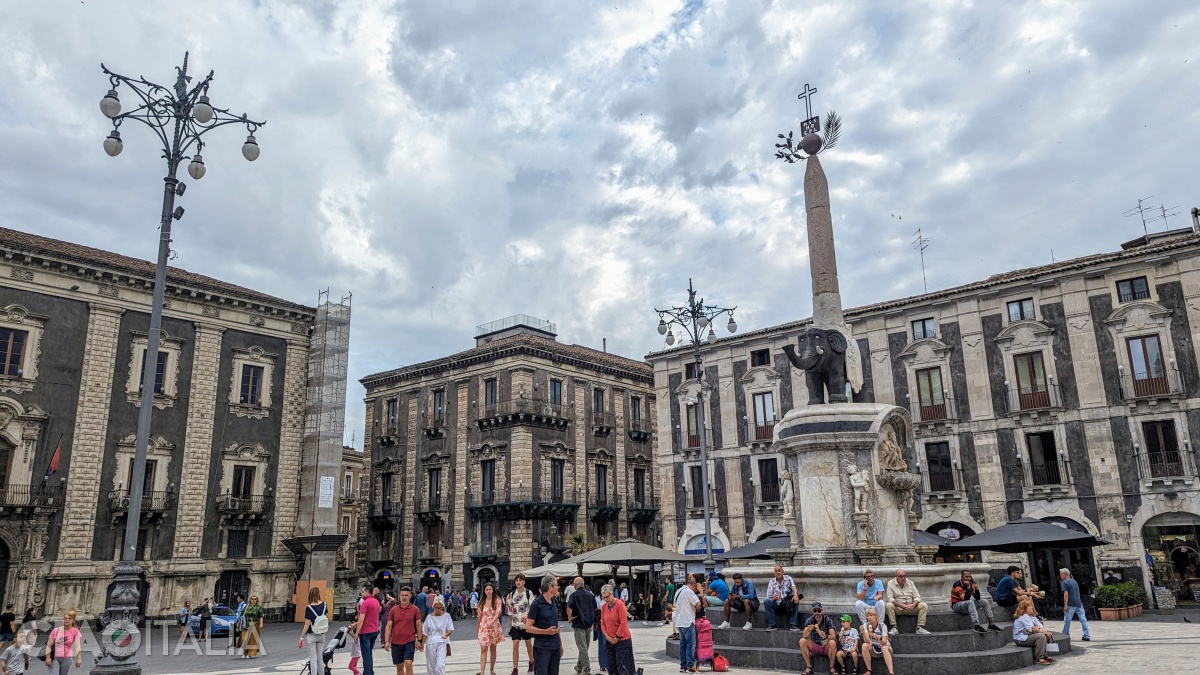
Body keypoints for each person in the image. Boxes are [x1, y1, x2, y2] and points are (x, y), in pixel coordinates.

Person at [524, 575, 564, 675]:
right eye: (556, 585)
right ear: (550, 587)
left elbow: (556, 624)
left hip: (555, 646)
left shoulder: (554, 601)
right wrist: (546, 632)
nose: (558, 587)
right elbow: (528, 627)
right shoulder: (537, 604)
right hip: (542, 647)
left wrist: (560, 643)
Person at [599, 585, 641, 675]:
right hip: (609, 640)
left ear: (612, 593)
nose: (606, 599)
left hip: (622, 640)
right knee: (611, 667)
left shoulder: (620, 604)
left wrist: (617, 637)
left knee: (623, 667)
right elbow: (602, 623)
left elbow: (623, 623)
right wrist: (606, 635)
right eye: (604, 598)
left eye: (607, 596)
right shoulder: (603, 607)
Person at [384, 586, 422, 675]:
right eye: (402, 595)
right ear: (399, 596)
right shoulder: (393, 610)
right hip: (396, 641)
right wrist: (386, 641)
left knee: (408, 663)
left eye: (406, 595)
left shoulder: (415, 609)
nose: (404, 597)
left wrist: (419, 640)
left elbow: (419, 625)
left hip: (409, 640)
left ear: (410, 596)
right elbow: (389, 626)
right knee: (399, 667)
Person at [951, 569, 1001, 634]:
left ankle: (991, 623)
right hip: (957, 606)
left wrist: (976, 588)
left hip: (966, 605)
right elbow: (965, 598)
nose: (968, 578)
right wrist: (968, 587)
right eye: (966, 577)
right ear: (962, 577)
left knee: (984, 601)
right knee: (970, 602)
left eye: (969, 576)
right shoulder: (957, 584)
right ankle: (976, 625)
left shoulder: (971, 584)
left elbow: (978, 598)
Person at [884, 569, 930, 635]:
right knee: (888, 605)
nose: (903, 578)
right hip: (898, 608)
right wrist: (901, 605)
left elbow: (917, 596)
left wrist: (913, 605)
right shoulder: (890, 583)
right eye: (900, 576)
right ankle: (894, 627)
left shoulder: (910, 583)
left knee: (923, 605)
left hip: (911, 607)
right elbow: (890, 598)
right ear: (896, 576)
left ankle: (920, 628)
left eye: (904, 576)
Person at [565, 577, 596, 675]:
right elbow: (595, 608)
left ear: (575, 585)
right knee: (584, 647)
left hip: (579, 624)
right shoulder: (590, 595)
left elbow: (568, 607)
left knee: (582, 648)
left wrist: (570, 618)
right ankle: (579, 667)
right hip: (589, 624)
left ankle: (586, 669)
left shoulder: (574, 595)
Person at [673, 574, 703, 673]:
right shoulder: (689, 592)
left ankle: (683, 666)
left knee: (682, 645)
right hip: (688, 621)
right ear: (694, 586)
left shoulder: (678, 591)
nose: (695, 591)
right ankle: (690, 665)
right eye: (696, 589)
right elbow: (698, 604)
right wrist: (701, 592)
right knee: (690, 645)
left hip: (679, 621)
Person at [507, 574, 536, 675]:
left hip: (526, 624)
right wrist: (510, 608)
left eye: (520, 580)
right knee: (515, 644)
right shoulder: (512, 594)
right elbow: (510, 605)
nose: (518, 582)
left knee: (528, 643)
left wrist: (528, 616)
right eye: (517, 580)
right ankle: (515, 669)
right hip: (516, 623)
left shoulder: (528, 593)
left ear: (524, 581)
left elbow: (533, 607)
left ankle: (532, 661)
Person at [1012, 599, 1055, 666]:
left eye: (1031, 606)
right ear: (1024, 608)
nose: (1032, 607)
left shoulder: (1031, 616)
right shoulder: (1023, 616)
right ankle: (1039, 658)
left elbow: (1040, 625)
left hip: (1028, 635)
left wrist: (1046, 631)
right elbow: (1032, 629)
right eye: (1029, 606)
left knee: (1046, 634)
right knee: (1041, 636)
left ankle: (1045, 655)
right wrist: (1043, 632)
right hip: (1021, 639)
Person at [799, 602, 835, 675]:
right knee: (802, 641)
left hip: (826, 646)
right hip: (815, 645)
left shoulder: (828, 620)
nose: (817, 613)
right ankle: (809, 667)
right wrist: (808, 630)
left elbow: (833, 636)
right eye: (815, 611)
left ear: (822, 611)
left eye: (819, 610)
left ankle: (832, 667)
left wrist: (826, 636)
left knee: (832, 642)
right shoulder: (809, 620)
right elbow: (804, 636)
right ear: (812, 612)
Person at [301, 588, 330, 675]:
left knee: (313, 659)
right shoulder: (324, 605)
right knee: (320, 659)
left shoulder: (309, 608)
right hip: (321, 634)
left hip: (312, 634)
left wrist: (301, 637)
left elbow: (307, 624)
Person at [477, 582, 505, 675]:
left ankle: (492, 669)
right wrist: (477, 630)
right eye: (487, 590)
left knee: (493, 648)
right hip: (484, 626)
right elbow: (479, 616)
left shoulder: (497, 600)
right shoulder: (482, 602)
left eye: (490, 589)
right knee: (483, 648)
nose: (488, 591)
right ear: (484, 591)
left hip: (494, 626)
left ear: (493, 590)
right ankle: (482, 671)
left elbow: (498, 613)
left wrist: (491, 622)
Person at [764, 564, 802, 632]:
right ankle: (772, 624)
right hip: (777, 605)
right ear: (774, 573)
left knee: (796, 599)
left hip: (787, 604)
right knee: (766, 601)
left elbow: (794, 587)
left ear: (783, 572)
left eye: (779, 570)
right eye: (776, 571)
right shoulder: (772, 582)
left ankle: (793, 624)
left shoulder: (788, 578)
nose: (777, 572)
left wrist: (795, 594)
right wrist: (774, 598)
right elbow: (769, 596)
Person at [422, 596, 454, 675]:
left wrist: (447, 634)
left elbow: (450, 628)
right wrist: (422, 644)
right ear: (433, 607)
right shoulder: (429, 618)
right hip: (431, 643)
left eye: (440, 608)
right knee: (431, 667)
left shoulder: (447, 616)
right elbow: (425, 632)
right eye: (436, 608)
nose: (438, 610)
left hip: (442, 642)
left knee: (440, 665)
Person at [355, 586, 382, 675]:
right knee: (369, 653)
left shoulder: (365, 603)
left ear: (368, 592)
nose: (361, 593)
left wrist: (356, 633)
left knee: (366, 655)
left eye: (363, 591)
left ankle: (367, 673)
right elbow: (372, 616)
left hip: (365, 632)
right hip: (374, 630)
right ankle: (370, 672)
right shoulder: (376, 602)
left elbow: (361, 619)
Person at [45, 610, 82, 675]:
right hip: (55, 657)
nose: (67, 620)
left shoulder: (75, 631)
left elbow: (77, 646)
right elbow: (49, 645)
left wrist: (79, 658)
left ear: (73, 620)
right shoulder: (56, 630)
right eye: (65, 618)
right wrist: (48, 658)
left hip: (67, 658)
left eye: (69, 618)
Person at [1058, 568, 1091, 642]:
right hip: (1078, 603)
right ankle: (1086, 635)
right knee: (1083, 619)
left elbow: (1066, 594)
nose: (1060, 575)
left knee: (1067, 620)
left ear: (1064, 574)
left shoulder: (1065, 582)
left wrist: (1065, 605)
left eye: (1061, 574)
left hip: (1071, 603)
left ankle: (1065, 634)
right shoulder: (1074, 581)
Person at [859, 609, 893, 675]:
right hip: (874, 649)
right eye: (867, 616)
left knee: (884, 648)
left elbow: (884, 642)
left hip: (885, 649)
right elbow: (866, 641)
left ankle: (891, 672)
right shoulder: (866, 625)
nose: (869, 617)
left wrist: (878, 637)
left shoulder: (882, 626)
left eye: (871, 615)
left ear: (875, 616)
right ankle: (869, 670)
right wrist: (864, 632)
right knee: (864, 645)